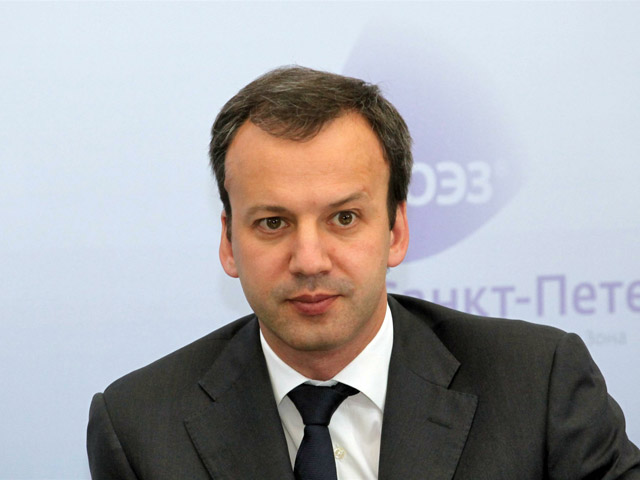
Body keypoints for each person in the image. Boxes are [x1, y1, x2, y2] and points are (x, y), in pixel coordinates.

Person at [87, 66, 640, 480]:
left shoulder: (538, 386)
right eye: (273, 223)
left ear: (396, 231)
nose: (309, 260)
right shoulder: (139, 427)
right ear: (228, 243)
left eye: (344, 218)